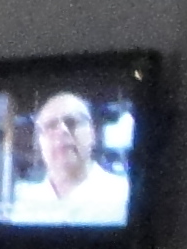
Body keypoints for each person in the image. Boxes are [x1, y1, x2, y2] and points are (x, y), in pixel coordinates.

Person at [8, 90, 132, 226]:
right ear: (39, 142)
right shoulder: (22, 203)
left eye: (72, 122)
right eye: (50, 125)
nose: (62, 130)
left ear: (93, 133)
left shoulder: (124, 194)